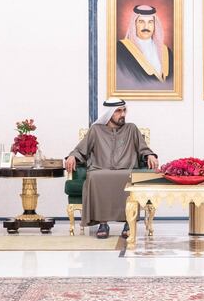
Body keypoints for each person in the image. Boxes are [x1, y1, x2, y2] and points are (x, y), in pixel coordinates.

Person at [66, 98, 159, 239]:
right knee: (95, 177)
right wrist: (72, 156)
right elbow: (80, 150)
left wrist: (150, 155)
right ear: (109, 113)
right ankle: (103, 223)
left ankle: (129, 222)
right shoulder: (96, 130)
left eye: (124, 110)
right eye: (118, 111)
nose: (122, 114)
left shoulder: (131, 129)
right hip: (100, 169)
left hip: (126, 170)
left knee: (128, 177)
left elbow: (143, 149)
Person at [116, 5, 173, 90]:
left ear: (155, 25)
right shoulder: (121, 49)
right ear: (134, 24)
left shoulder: (166, 51)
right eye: (141, 22)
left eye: (150, 22)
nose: (146, 26)